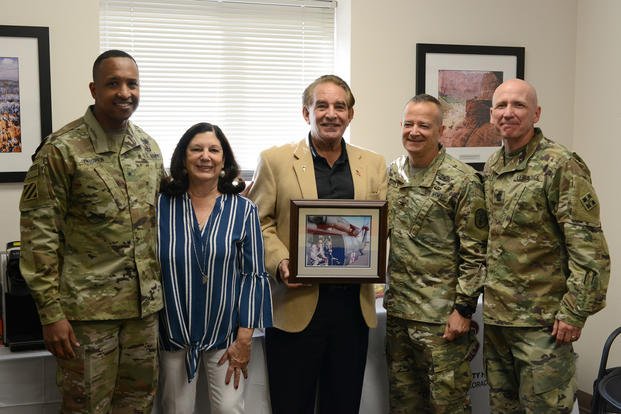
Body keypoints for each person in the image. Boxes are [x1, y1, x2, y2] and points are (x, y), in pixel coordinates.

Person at [19, 50, 163, 413]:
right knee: (86, 408)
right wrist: (51, 314)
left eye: (132, 83)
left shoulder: (148, 148)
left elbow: (167, 213)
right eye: (113, 83)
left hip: (143, 313)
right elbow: (39, 237)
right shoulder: (61, 150)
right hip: (86, 317)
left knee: (138, 405)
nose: (124, 92)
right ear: (94, 88)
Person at [247, 74, 387, 414]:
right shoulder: (275, 160)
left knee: (343, 405)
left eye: (340, 106)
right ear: (305, 112)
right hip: (295, 307)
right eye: (321, 105)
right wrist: (281, 263)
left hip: (352, 311)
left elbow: (381, 228)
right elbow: (257, 223)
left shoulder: (374, 164)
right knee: (291, 404)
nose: (331, 114)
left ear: (350, 115)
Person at [483, 78, 610, 413]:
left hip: (544, 323)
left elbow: (589, 248)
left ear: (536, 113)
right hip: (499, 318)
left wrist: (574, 312)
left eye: (519, 105)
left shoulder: (561, 164)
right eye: (501, 105)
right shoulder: (494, 165)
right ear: (491, 114)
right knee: (503, 407)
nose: (508, 113)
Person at [156, 122, 272, 413]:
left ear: (225, 160)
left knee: (229, 410)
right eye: (196, 149)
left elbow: (253, 276)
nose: (205, 156)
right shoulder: (161, 207)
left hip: (227, 337)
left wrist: (244, 339)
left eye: (213, 149)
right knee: (175, 410)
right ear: (183, 157)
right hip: (174, 334)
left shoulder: (244, 211)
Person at [385, 94, 488, 413]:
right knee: (404, 404)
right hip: (399, 314)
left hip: (441, 320)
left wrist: (464, 309)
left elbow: (476, 252)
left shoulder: (462, 181)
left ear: (441, 131)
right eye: (408, 123)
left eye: (424, 125)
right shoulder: (392, 173)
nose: (414, 131)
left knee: (448, 405)